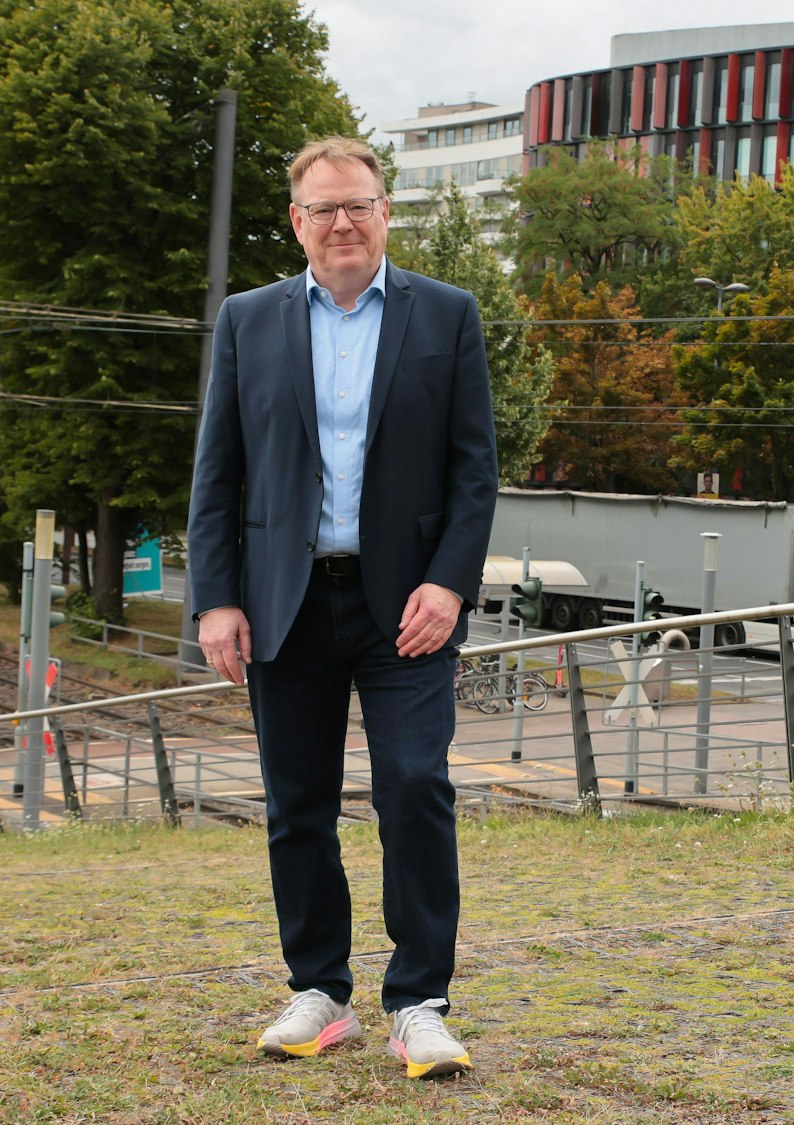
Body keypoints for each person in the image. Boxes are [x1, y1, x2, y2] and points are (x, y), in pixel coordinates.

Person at [187, 137, 498, 1080]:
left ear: (385, 210)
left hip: (407, 605)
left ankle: (419, 1002)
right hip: (284, 602)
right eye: (323, 209)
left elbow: (473, 470)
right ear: (297, 221)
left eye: (358, 204)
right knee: (298, 805)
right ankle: (318, 992)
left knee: (414, 786)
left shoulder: (447, 314)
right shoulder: (248, 321)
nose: (342, 222)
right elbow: (217, 472)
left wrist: (448, 581)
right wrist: (217, 599)